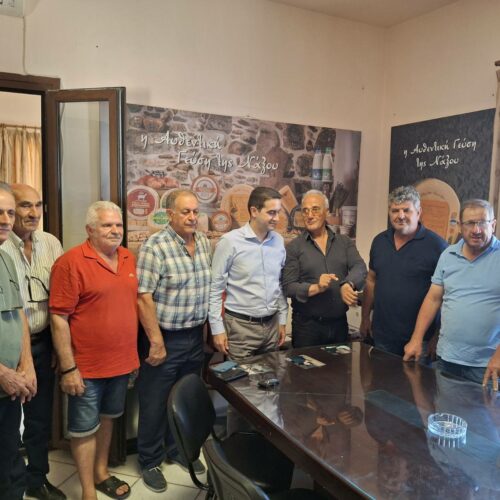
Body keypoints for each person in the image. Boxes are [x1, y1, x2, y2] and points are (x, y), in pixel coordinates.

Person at [49, 201, 139, 500]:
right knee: (83, 429)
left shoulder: (127, 257)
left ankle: (101, 473)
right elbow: (59, 318)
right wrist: (69, 368)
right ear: (90, 230)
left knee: (109, 417)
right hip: (85, 368)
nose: (115, 230)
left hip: (122, 362)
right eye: (107, 225)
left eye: (118, 225)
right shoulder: (70, 262)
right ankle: (88, 491)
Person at [136, 189, 211, 493]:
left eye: (195, 211)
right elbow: (143, 297)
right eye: (185, 212)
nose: (192, 217)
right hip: (164, 338)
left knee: (185, 400)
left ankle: (178, 450)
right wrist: (156, 341)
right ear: (170, 215)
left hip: (194, 337)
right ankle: (150, 461)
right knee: (155, 402)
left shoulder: (203, 242)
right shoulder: (155, 246)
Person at [2, 184, 65, 500]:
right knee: (8, 428)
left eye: (38, 205)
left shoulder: (51, 243)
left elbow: (61, 298)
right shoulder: (5, 246)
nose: (33, 213)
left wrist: (58, 346)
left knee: (39, 419)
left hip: (40, 344)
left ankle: (36, 478)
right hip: (7, 353)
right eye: (25, 206)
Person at [404, 199, 500, 390]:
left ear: (493, 224)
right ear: (460, 226)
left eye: (482, 222)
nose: (476, 230)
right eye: (470, 223)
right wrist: (416, 338)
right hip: (447, 359)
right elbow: (433, 299)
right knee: (446, 408)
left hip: (487, 365)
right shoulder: (448, 255)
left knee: (485, 410)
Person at [360, 186, 447, 357]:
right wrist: (364, 318)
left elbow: (446, 297)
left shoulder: (438, 246)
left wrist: (437, 336)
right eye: (395, 210)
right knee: (379, 375)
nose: (400, 216)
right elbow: (371, 281)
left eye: (406, 210)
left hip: (420, 342)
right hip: (382, 337)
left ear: (418, 212)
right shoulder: (379, 241)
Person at [209, 186, 288, 360]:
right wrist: (217, 329)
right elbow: (215, 288)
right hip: (240, 329)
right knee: (240, 377)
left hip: (272, 326)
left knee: (271, 375)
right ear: (254, 211)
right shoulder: (230, 242)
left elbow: (279, 284)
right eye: (271, 213)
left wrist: (282, 319)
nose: (277, 218)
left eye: (278, 212)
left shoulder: (278, 241)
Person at [282, 189, 366, 347]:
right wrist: (316, 288)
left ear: (326, 212)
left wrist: (348, 284)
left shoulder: (344, 242)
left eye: (315, 209)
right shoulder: (294, 247)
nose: (309, 215)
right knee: (306, 365)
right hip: (307, 328)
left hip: (339, 325)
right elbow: (288, 287)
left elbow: (360, 267)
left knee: (341, 364)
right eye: (305, 210)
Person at [0, 182, 37, 500]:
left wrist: (27, 365)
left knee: (11, 466)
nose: (6, 220)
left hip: (9, 389)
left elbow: (19, 314)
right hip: (3, 379)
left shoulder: (6, 258)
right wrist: (3, 373)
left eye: (10, 213)